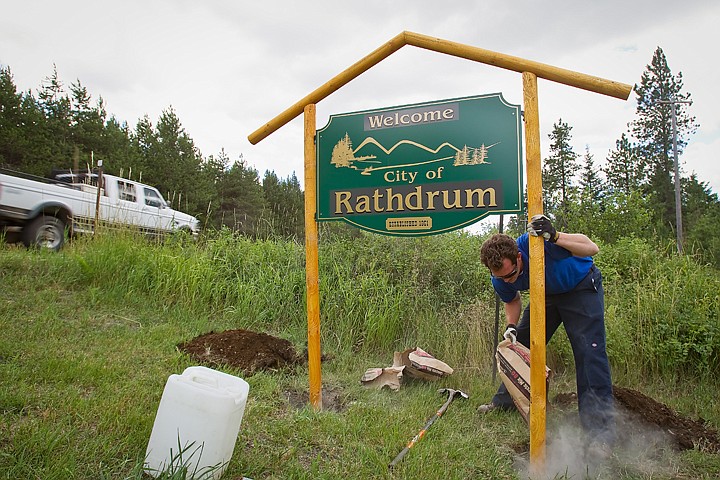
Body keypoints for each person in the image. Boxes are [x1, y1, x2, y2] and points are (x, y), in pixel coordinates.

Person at [478, 214, 615, 449]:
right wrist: (511, 327)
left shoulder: (535, 242)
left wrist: (556, 236)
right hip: (547, 295)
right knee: (520, 343)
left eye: (511, 275)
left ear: (519, 257)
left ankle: (599, 430)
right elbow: (512, 300)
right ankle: (506, 402)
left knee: (589, 353)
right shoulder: (500, 277)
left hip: (581, 287)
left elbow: (591, 247)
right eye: (501, 278)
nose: (508, 281)